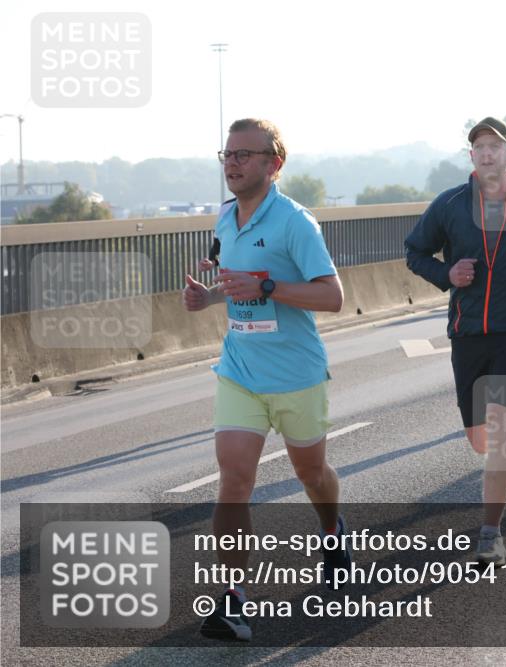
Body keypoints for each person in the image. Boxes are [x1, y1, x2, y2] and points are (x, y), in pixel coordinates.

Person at [184, 118, 348, 642]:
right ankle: (234, 599)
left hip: (296, 374)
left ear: (273, 164)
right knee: (234, 481)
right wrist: (208, 296)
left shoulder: (296, 223)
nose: (232, 163)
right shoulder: (226, 216)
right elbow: (234, 284)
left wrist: (269, 284)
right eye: (226, 155)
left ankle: (332, 528)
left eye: (244, 155)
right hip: (240, 371)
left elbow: (332, 297)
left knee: (312, 474)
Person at [404, 117, 506, 566]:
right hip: (467, 334)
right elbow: (414, 251)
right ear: (472, 157)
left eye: (495, 146)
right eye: (479, 147)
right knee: (480, 439)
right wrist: (446, 274)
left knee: (500, 429)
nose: (486, 154)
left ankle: (490, 533)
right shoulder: (452, 204)